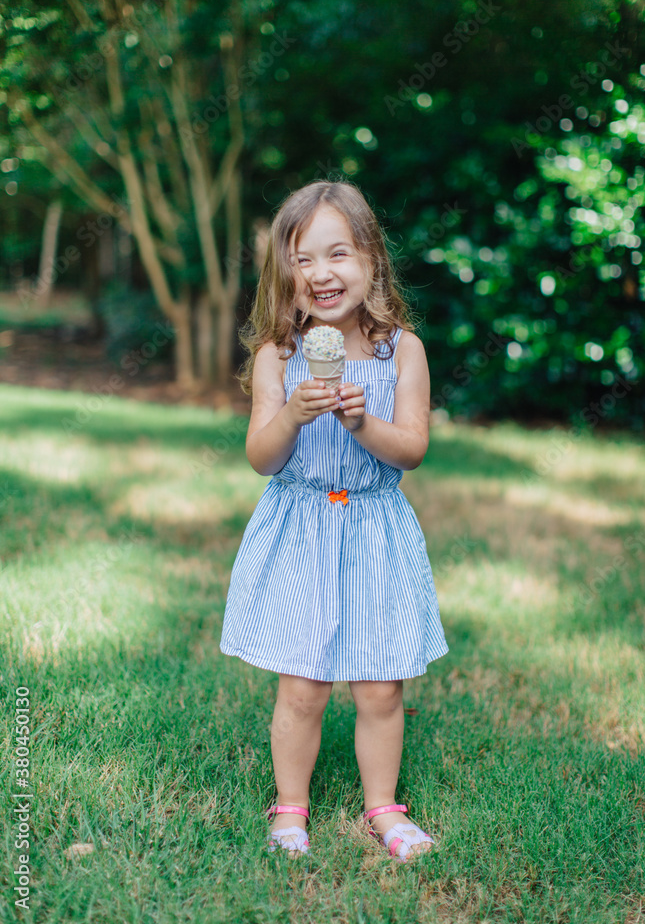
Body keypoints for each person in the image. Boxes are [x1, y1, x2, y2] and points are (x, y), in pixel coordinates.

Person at [220, 180, 449, 862]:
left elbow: (410, 447)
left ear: (371, 261)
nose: (321, 273)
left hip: (374, 532)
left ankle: (383, 807)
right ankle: (290, 808)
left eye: (338, 253)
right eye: (302, 259)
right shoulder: (277, 357)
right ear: (284, 276)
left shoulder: (399, 351)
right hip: (300, 532)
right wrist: (291, 412)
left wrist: (359, 420)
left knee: (381, 686)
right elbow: (261, 458)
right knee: (304, 684)